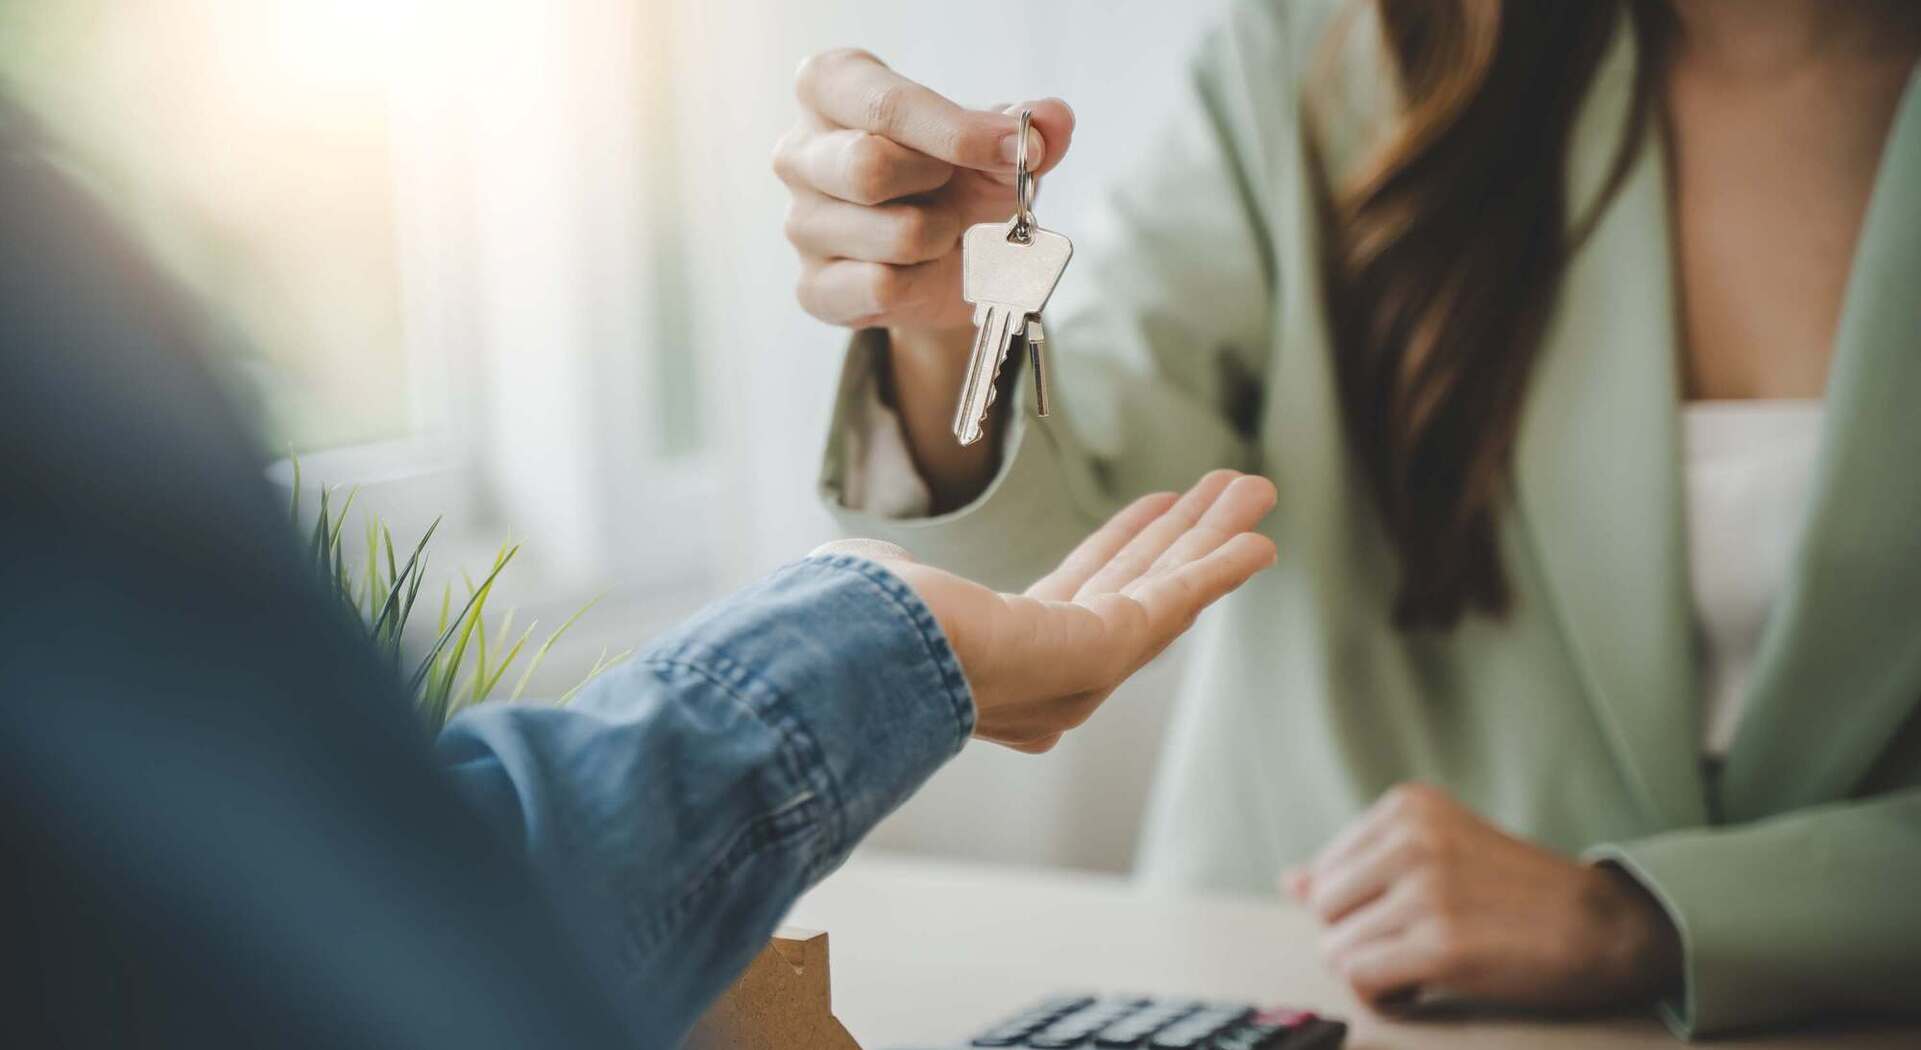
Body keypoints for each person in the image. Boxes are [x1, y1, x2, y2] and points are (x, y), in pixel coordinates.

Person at [0, 99, 1277, 1048]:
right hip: (1254, 942)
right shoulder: (1302, 66)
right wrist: (939, 339)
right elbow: (1045, 530)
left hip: (1286, 945)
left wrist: (871, 643)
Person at [776, 0, 1921, 1036]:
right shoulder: (1329, 54)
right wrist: (936, 321)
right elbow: (1064, 527)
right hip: (1315, 993)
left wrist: (1652, 918)